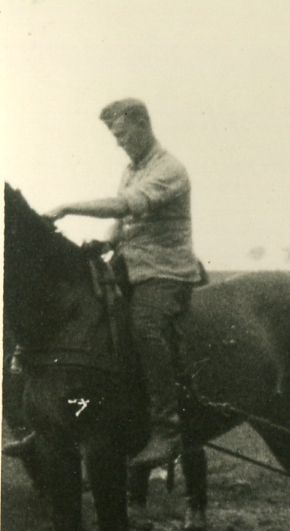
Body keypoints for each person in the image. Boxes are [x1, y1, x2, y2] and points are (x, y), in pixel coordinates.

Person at [41, 98, 205, 469]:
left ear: (143, 124)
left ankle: (166, 429)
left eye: (122, 133)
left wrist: (68, 207)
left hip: (165, 271)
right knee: (81, 315)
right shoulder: (132, 168)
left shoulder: (170, 169)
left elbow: (126, 206)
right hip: (130, 265)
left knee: (145, 326)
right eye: (114, 136)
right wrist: (107, 242)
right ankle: (57, 415)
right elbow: (123, 221)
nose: (119, 142)